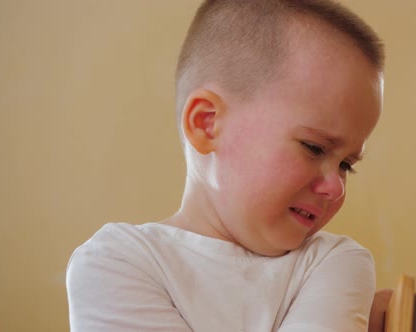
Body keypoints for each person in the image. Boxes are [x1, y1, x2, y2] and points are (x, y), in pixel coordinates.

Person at [66, 0, 386, 331]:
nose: (336, 187)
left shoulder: (337, 261)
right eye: (314, 147)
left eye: (346, 164)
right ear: (207, 123)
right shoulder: (119, 261)